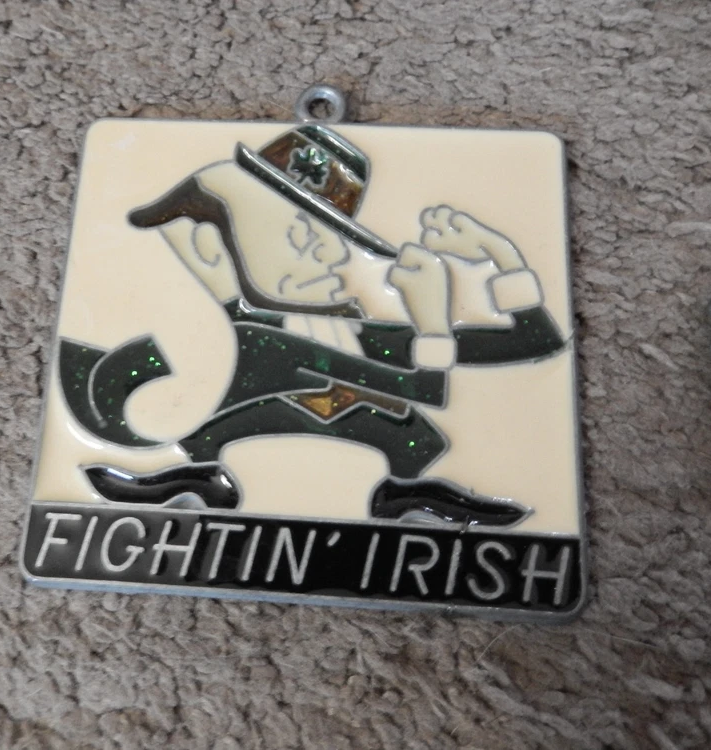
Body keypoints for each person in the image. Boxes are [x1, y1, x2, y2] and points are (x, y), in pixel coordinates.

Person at [58, 125, 565, 527]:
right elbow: (425, 389)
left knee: (406, 439)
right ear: (213, 248)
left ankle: (408, 493)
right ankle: (196, 481)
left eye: (334, 238)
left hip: (372, 502)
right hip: (248, 489)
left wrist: (502, 255)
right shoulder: (249, 340)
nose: (332, 255)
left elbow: (536, 343)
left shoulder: (347, 332)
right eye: (301, 234)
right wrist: (431, 320)